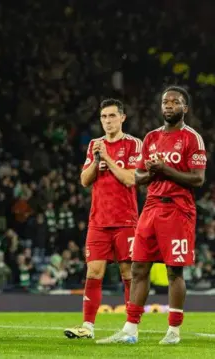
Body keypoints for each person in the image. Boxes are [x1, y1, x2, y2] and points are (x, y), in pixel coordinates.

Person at [98, 86, 207, 345]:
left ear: (185, 108)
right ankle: (130, 330)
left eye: (175, 102)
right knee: (138, 268)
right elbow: (139, 177)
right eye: (165, 102)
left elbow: (198, 179)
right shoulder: (150, 138)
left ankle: (173, 331)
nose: (168, 105)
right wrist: (151, 172)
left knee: (174, 271)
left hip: (178, 209)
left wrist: (165, 169)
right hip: (151, 208)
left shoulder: (192, 138)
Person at [64, 99, 142, 339]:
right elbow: (85, 180)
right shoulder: (94, 146)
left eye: (111, 116)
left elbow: (131, 179)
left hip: (125, 220)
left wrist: (107, 158)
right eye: (103, 117)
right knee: (93, 273)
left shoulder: (133, 144)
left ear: (122, 118)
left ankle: (131, 329)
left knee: (128, 273)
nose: (107, 121)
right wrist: (98, 161)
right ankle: (87, 327)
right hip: (98, 221)